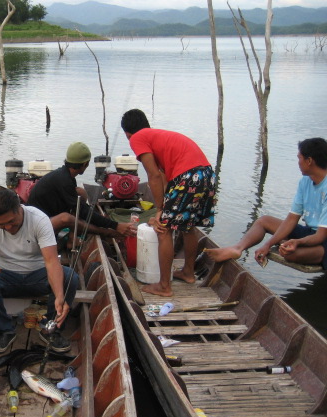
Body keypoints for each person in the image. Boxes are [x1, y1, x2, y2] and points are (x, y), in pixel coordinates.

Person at [121, 108, 216, 297]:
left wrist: (160, 210)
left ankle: (164, 286)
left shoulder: (137, 138)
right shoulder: (157, 135)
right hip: (206, 174)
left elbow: (153, 175)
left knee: (163, 229)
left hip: (188, 176)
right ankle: (188, 272)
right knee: (188, 226)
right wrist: (164, 205)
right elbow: (164, 176)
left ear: (128, 133)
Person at [0, 188, 79, 353]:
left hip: (38, 275)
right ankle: (4, 329)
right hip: (4, 275)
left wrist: (59, 296)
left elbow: (51, 262)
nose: (8, 227)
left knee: (70, 277)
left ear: (19, 209)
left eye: (12, 221)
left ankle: (50, 328)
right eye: (1, 225)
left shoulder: (39, 220)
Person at [206, 137, 327, 269]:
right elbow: (292, 219)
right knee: (264, 221)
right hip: (311, 232)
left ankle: (302, 248)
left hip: (323, 239)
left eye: (299, 158)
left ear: (309, 161)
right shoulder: (305, 181)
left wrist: (297, 242)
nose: (298, 162)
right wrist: (268, 244)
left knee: (290, 254)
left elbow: (321, 236)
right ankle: (237, 248)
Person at [26, 141, 137, 242]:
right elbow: (84, 212)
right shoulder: (64, 181)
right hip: (34, 226)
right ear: (85, 164)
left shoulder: (65, 175)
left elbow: (81, 208)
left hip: (47, 214)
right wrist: (115, 225)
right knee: (67, 218)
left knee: (81, 193)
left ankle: (71, 239)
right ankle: (107, 233)